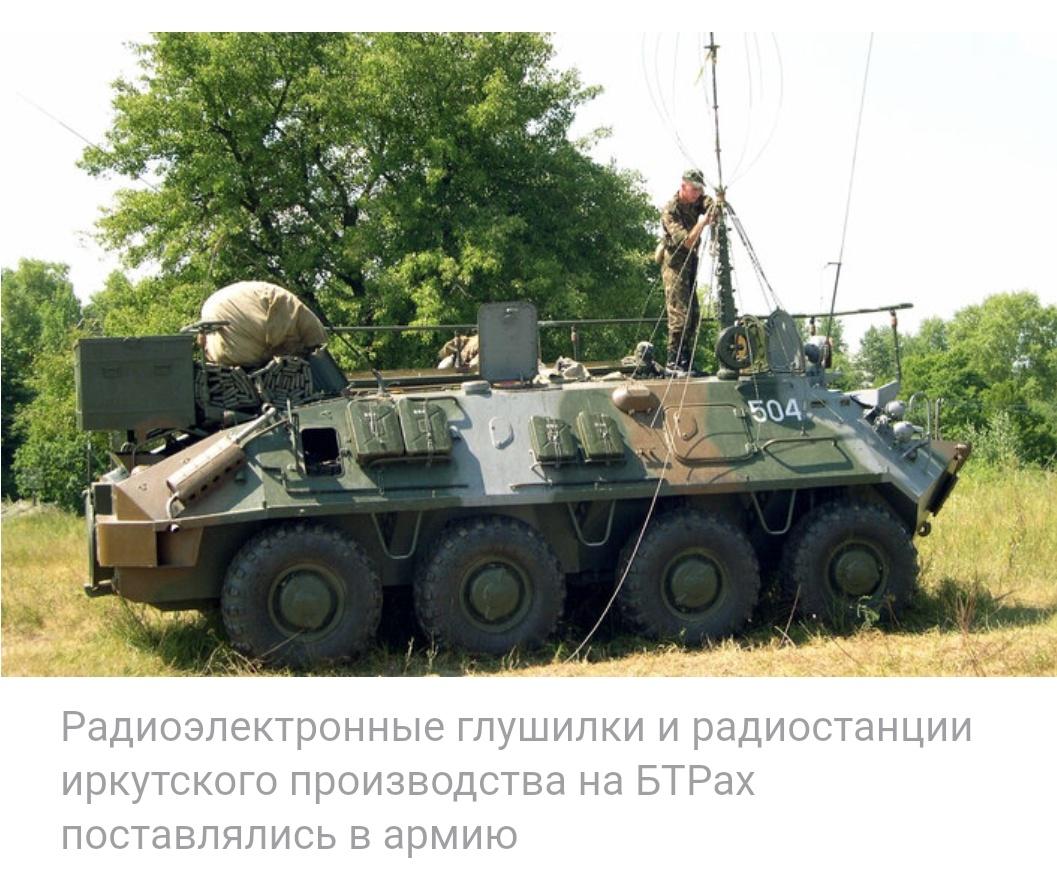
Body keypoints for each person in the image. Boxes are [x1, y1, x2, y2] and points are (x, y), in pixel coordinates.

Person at [659, 169, 714, 373]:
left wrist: (714, 206)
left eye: (699, 190)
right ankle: (673, 361)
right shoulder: (671, 210)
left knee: (693, 315)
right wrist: (702, 223)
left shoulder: (696, 199)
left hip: (690, 262)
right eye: (694, 189)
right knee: (680, 315)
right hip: (675, 264)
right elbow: (688, 242)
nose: (697, 194)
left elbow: (709, 203)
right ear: (683, 186)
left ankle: (686, 361)